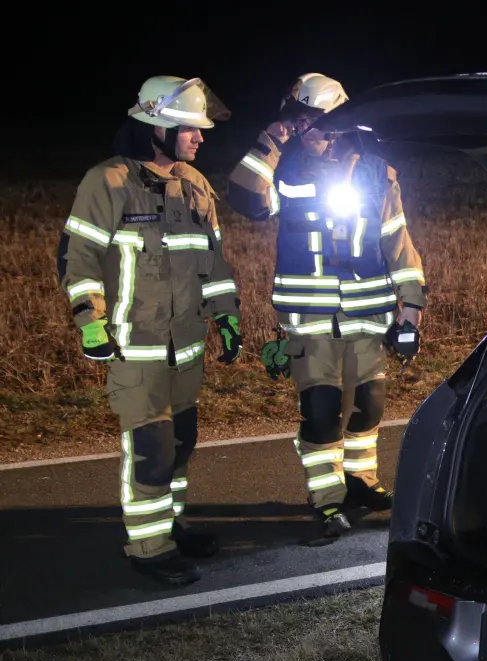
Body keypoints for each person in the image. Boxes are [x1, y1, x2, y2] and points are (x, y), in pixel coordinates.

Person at [225, 73, 427, 544]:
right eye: (299, 120)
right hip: (309, 317)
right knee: (321, 409)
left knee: (369, 407)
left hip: (368, 315)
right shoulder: (284, 168)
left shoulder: (379, 171)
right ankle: (327, 500)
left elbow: (398, 242)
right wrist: (267, 144)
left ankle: (360, 481)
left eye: (319, 121)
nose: (310, 130)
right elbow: (247, 200)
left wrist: (411, 309)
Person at [57, 75, 240, 587]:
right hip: (134, 346)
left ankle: (170, 526)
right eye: (189, 128)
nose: (200, 138)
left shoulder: (196, 185)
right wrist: (90, 322)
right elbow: (80, 258)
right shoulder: (108, 181)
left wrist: (225, 312)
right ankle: (149, 547)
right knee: (151, 447)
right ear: (156, 126)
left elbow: (214, 260)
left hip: (186, 344)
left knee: (181, 440)